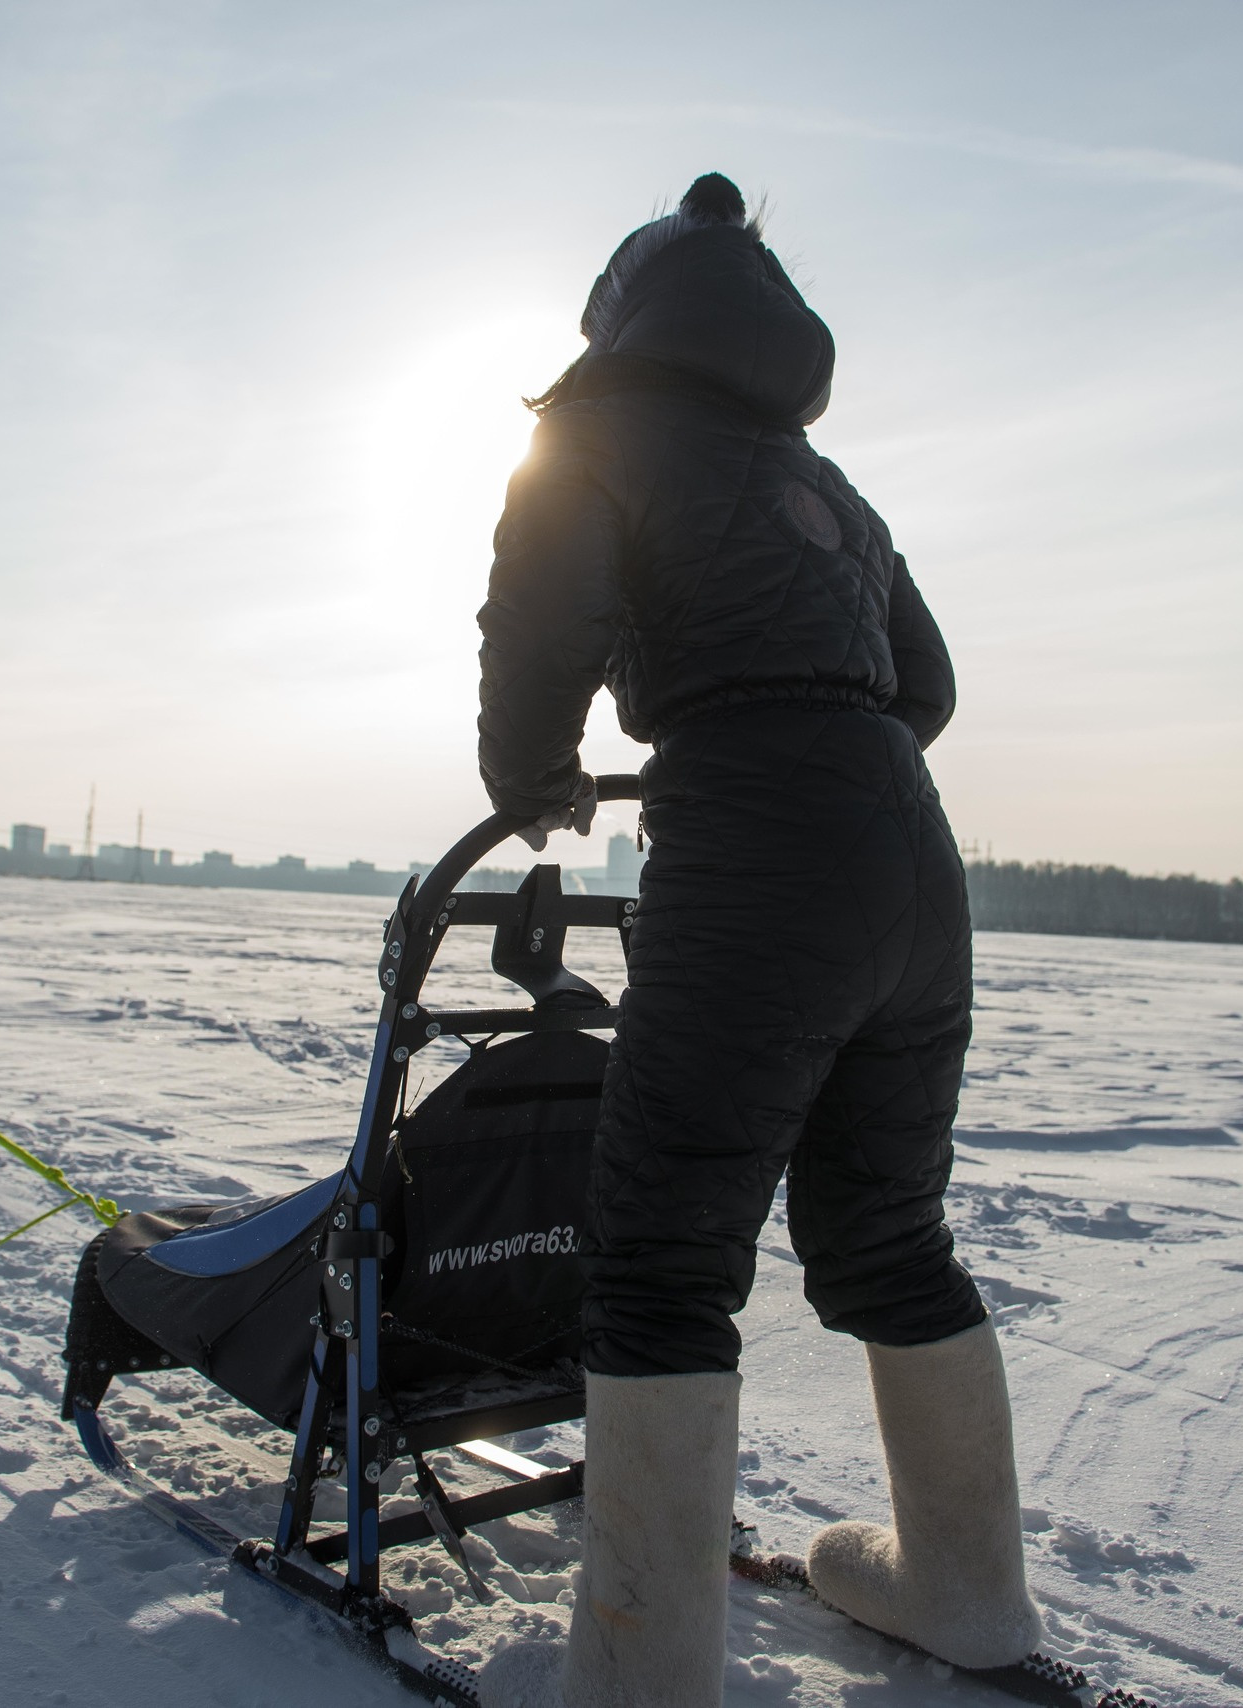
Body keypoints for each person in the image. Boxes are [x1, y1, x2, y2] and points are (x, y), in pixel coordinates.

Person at [473, 174, 1042, 1708]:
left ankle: (643, 1676)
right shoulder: (827, 481)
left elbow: (542, 624)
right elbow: (923, 680)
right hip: (912, 854)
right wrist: (825, 725)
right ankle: (971, 1597)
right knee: (888, 1233)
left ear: (623, 314)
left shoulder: (594, 428)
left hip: (758, 856)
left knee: (660, 1256)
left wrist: (531, 775)